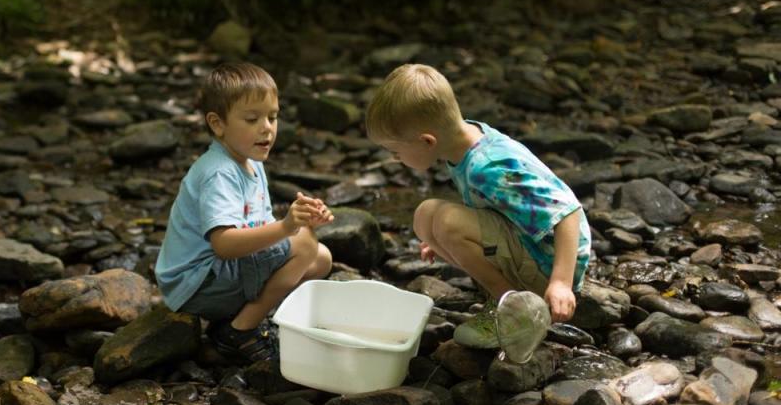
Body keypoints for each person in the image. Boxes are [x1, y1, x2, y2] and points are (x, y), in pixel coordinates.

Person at [364, 64, 591, 360]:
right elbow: (492, 206)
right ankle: (509, 297)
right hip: (530, 242)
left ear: (426, 141)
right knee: (426, 217)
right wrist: (439, 237)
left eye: (396, 151)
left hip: (548, 260)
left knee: (442, 219)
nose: (395, 158)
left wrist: (560, 282)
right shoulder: (466, 138)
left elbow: (567, 211)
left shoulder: (487, 166)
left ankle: (514, 309)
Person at [155, 62, 334, 364]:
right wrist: (289, 227)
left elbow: (257, 228)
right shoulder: (219, 173)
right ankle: (240, 330)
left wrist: (305, 221)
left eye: (273, 117)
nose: (267, 127)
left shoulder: (251, 162)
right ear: (218, 124)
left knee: (320, 258)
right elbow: (224, 245)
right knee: (303, 245)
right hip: (197, 282)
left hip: (216, 276)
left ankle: (233, 321)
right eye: (252, 119)